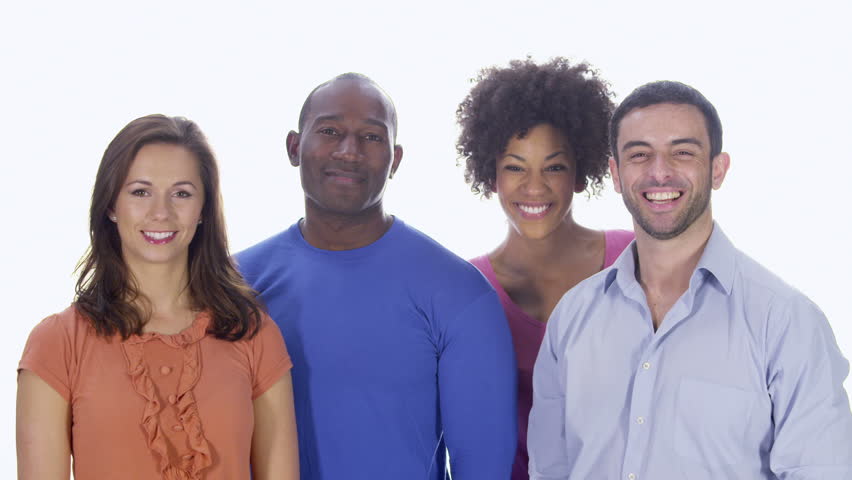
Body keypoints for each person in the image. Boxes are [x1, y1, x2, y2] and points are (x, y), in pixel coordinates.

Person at [528, 81, 852, 479]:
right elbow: (548, 471)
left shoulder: (786, 323)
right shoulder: (572, 318)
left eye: (682, 152)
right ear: (615, 173)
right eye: (639, 154)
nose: (659, 172)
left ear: (718, 169)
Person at [236, 73, 517, 479]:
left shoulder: (459, 292)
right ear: (294, 147)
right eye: (330, 131)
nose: (349, 152)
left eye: (371, 137)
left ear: (395, 159)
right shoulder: (234, 284)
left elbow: (483, 467)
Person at [17, 115, 299, 480]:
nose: (161, 212)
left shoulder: (254, 335)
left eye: (182, 193)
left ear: (203, 210)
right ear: (111, 205)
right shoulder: (57, 345)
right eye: (140, 192)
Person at [455, 57, 634, 480]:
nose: (534, 187)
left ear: (579, 173)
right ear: (491, 175)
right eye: (515, 167)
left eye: (554, 167)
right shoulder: (467, 286)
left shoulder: (633, 259)